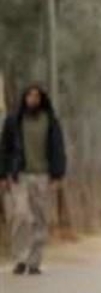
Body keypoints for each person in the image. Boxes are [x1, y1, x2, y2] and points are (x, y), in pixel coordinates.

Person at [0, 84, 66, 275]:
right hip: (19, 175)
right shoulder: (14, 121)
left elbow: (58, 149)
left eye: (36, 96)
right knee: (20, 215)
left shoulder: (51, 122)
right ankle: (20, 258)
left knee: (40, 218)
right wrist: (3, 174)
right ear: (24, 98)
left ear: (41, 99)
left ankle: (34, 261)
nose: (33, 100)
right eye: (29, 96)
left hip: (43, 176)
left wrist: (57, 174)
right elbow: (4, 149)